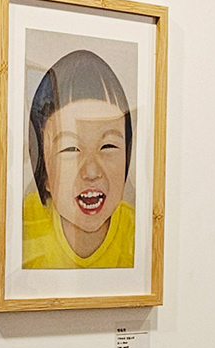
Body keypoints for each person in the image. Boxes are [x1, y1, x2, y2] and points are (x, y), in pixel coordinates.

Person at [22, 49, 136, 268]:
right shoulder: (24, 224)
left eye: (108, 146)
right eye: (71, 149)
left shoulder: (135, 233)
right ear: (43, 173)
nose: (91, 171)